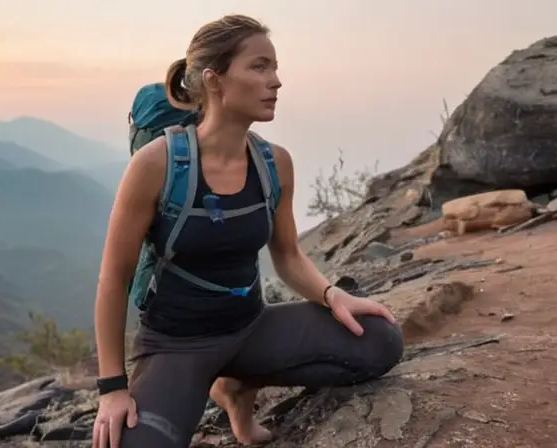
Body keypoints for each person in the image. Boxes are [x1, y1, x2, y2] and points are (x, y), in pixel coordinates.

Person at [92, 14, 404, 448]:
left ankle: (235, 388)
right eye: (259, 67)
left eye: (275, 68)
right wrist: (113, 388)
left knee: (380, 341)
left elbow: (289, 255)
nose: (275, 81)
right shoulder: (155, 166)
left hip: (250, 328)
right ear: (214, 80)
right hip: (177, 344)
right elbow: (114, 279)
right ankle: (212, 386)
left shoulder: (275, 162)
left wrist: (333, 295)